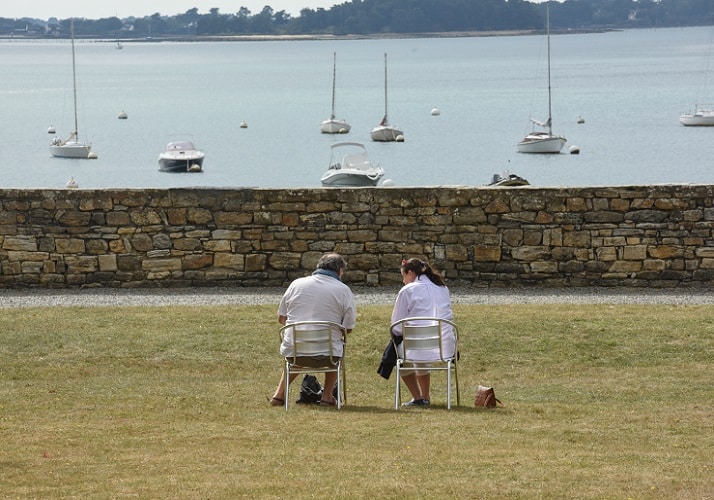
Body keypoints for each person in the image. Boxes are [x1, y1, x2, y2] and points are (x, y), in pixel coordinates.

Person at [270, 253, 356, 407]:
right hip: (327, 354)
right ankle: (327, 396)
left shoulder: (296, 284)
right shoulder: (343, 290)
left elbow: (281, 318)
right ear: (339, 271)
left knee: (300, 349)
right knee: (336, 346)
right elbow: (347, 328)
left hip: (295, 351)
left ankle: (279, 395)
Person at [390, 257, 455, 407]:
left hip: (418, 346)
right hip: (445, 346)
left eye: (404, 276)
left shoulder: (407, 290)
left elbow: (396, 327)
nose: (403, 281)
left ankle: (419, 397)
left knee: (402, 350)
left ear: (410, 273)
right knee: (419, 344)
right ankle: (424, 396)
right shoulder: (442, 287)